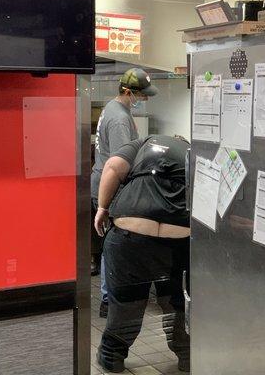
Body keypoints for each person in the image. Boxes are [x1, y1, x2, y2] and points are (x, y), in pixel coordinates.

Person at [94, 135, 190, 373]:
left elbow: (113, 167)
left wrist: (103, 208)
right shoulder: (192, 151)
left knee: (127, 300)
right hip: (179, 236)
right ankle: (187, 355)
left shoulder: (143, 143)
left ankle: (112, 358)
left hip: (131, 231)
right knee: (177, 300)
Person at [91, 68, 159, 316]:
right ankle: (109, 301)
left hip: (102, 182)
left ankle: (110, 297)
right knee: (113, 245)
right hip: (110, 187)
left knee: (110, 244)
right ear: (128, 92)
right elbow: (121, 162)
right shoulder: (120, 118)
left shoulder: (113, 107)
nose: (145, 100)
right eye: (142, 95)